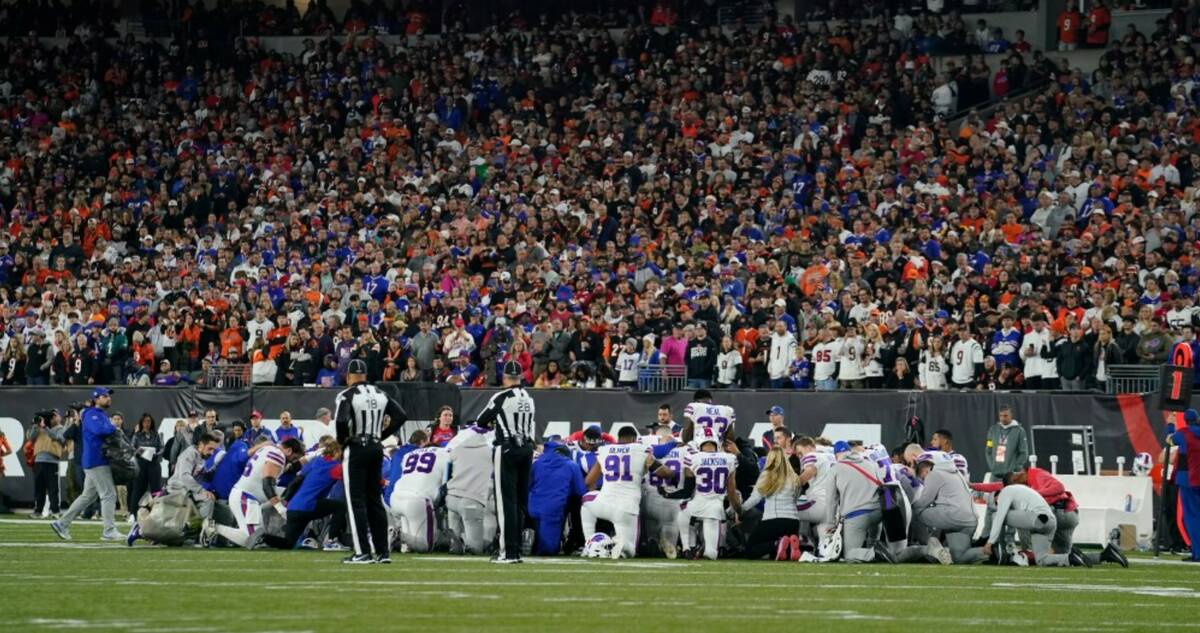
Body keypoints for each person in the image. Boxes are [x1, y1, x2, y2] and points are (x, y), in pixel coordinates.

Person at [335, 358, 408, 564]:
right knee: (375, 500)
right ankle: (383, 552)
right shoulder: (380, 393)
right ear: (365, 376)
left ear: (349, 377)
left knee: (355, 501)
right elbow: (401, 416)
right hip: (377, 447)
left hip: (357, 448)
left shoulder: (347, 394)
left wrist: (343, 441)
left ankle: (362, 552)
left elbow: (341, 420)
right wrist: (382, 435)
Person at [472, 361, 537, 564]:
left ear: (505, 377)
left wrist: (496, 425)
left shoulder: (501, 396)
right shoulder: (529, 397)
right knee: (520, 501)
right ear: (521, 377)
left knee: (506, 501)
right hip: (527, 448)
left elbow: (481, 420)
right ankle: (516, 550)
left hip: (507, 448)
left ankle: (507, 552)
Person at [581, 426, 675, 559]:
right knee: (630, 550)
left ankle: (589, 543)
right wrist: (668, 471)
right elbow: (664, 473)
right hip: (626, 508)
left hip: (603, 503)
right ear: (634, 439)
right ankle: (617, 543)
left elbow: (588, 481)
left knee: (586, 501)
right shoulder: (641, 449)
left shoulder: (604, 450)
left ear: (619, 438)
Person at [52, 388, 123, 542]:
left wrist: (110, 427)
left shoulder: (100, 414)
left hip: (95, 459)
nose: (108, 398)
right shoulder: (91, 414)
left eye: (109, 396)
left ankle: (62, 523)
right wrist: (113, 427)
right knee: (109, 494)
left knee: (88, 496)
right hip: (96, 459)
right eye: (105, 396)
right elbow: (99, 430)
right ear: (96, 399)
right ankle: (109, 530)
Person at [128, 432, 223, 546]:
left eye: (214, 450)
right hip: (176, 491)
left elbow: (200, 475)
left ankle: (193, 533)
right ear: (201, 444)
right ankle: (140, 531)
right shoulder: (190, 454)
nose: (212, 453)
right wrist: (201, 490)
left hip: (186, 491)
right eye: (210, 449)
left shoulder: (200, 456)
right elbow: (185, 476)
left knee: (173, 532)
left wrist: (216, 468)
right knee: (207, 500)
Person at [213, 437, 304, 548]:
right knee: (251, 539)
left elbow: (278, 473)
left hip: (248, 496)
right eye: (293, 458)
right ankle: (213, 528)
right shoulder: (278, 455)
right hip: (245, 497)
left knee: (288, 492)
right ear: (289, 450)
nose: (291, 461)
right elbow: (267, 485)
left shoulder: (269, 449)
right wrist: (280, 509)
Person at [668, 426, 741, 560]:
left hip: (696, 504)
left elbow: (687, 490)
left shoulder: (693, 458)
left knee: (683, 508)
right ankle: (705, 550)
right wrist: (739, 511)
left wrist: (668, 495)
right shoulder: (730, 459)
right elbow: (731, 491)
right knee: (712, 553)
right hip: (715, 508)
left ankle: (687, 547)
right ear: (716, 442)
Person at [896, 451, 981, 565]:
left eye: (923, 475)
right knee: (959, 557)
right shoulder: (955, 472)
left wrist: (907, 508)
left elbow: (923, 502)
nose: (924, 479)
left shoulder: (934, 474)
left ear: (927, 468)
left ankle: (929, 547)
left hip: (953, 516)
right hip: (970, 520)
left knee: (915, 511)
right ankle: (990, 552)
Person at [271, 438, 347, 550]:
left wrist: (286, 499)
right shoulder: (335, 466)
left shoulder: (315, 461)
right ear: (336, 452)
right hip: (307, 506)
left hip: (293, 507)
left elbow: (297, 479)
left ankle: (263, 537)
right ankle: (331, 541)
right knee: (340, 507)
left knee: (288, 544)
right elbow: (351, 479)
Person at [983, 476, 1074, 567]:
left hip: (1038, 517)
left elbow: (1000, 517)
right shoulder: (1021, 490)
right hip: (1049, 523)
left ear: (996, 497)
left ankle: (1000, 552)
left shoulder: (1005, 491)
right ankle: (1069, 558)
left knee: (996, 516)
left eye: (997, 503)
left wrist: (989, 543)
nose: (999, 505)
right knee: (1041, 560)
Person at [826, 441, 892, 563]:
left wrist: (830, 524)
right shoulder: (870, 464)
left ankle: (875, 552)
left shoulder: (835, 468)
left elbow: (831, 500)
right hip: (879, 512)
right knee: (872, 542)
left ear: (836, 455)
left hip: (857, 515)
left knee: (850, 554)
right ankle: (876, 549)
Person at [741, 447, 803, 560]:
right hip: (793, 522)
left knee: (750, 550)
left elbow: (754, 499)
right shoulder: (794, 477)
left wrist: (739, 511)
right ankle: (788, 547)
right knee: (776, 556)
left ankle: (776, 544)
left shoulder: (767, 475)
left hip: (773, 520)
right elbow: (796, 499)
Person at [446, 423, 499, 555]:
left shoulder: (456, 447)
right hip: (472, 500)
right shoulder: (490, 450)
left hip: (451, 497)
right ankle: (475, 544)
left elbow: (446, 472)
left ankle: (456, 542)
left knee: (456, 535)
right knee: (476, 549)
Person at [388, 441, 450, 553]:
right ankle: (397, 535)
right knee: (425, 546)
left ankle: (399, 536)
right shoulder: (445, 453)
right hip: (417, 500)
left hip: (396, 497)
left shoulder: (408, 455)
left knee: (409, 546)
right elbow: (447, 485)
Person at [641, 422, 685, 558]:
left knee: (651, 535)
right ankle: (669, 544)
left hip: (651, 498)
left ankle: (651, 542)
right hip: (674, 500)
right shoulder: (685, 450)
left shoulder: (648, 447)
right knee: (670, 531)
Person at [1168, 408, 1200, 563]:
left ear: (1186, 421)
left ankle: (1197, 552)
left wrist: (1170, 425)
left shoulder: (1184, 434)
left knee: (1192, 517)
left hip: (1189, 480)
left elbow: (1169, 440)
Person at [29, 409, 65, 517]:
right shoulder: (39, 427)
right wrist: (36, 425)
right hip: (39, 460)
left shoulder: (61, 429)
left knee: (53, 488)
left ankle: (55, 511)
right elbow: (31, 438)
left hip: (52, 461)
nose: (54, 418)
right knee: (39, 488)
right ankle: (38, 511)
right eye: (52, 416)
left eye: (55, 416)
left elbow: (57, 438)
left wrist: (46, 428)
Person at [128, 413, 164, 511]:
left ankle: (156, 511)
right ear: (141, 423)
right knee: (138, 489)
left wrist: (154, 453)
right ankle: (133, 512)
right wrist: (142, 452)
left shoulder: (156, 434)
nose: (147, 423)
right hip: (140, 464)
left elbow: (161, 448)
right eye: (144, 421)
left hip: (154, 464)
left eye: (149, 421)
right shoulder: (137, 435)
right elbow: (132, 448)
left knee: (156, 489)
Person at [986, 406, 1029, 481]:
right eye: (1001, 416)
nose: (1003, 418)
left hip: (1011, 476)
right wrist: (992, 465)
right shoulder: (993, 430)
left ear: (1011, 415)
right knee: (992, 493)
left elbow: (1023, 453)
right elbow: (988, 450)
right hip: (995, 474)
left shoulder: (1019, 431)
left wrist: (1016, 468)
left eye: (1005, 416)